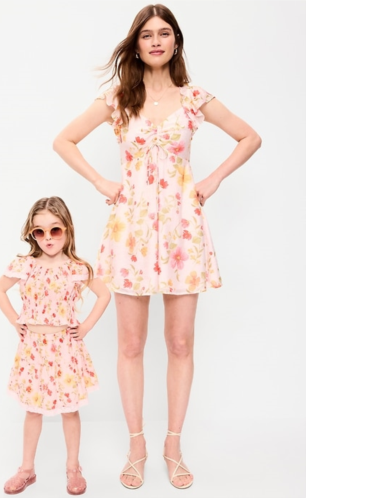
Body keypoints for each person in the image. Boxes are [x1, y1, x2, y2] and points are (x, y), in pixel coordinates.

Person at [52, 3, 262, 491]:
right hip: (131, 230)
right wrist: (101, 181)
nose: (155, 41)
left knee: (180, 342)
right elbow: (64, 140)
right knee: (130, 344)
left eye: (163, 33)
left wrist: (212, 179)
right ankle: (136, 446)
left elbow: (249, 137)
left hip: (183, 231)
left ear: (175, 41)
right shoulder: (119, 98)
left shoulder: (194, 98)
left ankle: (173, 445)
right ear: (136, 44)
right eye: (146, 35)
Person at [0, 196, 111, 495]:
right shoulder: (24, 265)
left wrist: (85, 326)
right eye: (39, 231)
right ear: (32, 233)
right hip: (33, 350)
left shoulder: (76, 268)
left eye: (55, 230)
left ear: (67, 229)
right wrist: (15, 320)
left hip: (65, 349)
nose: (48, 238)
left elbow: (104, 294)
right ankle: (26, 469)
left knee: (69, 411)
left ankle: (73, 467)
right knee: (33, 410)